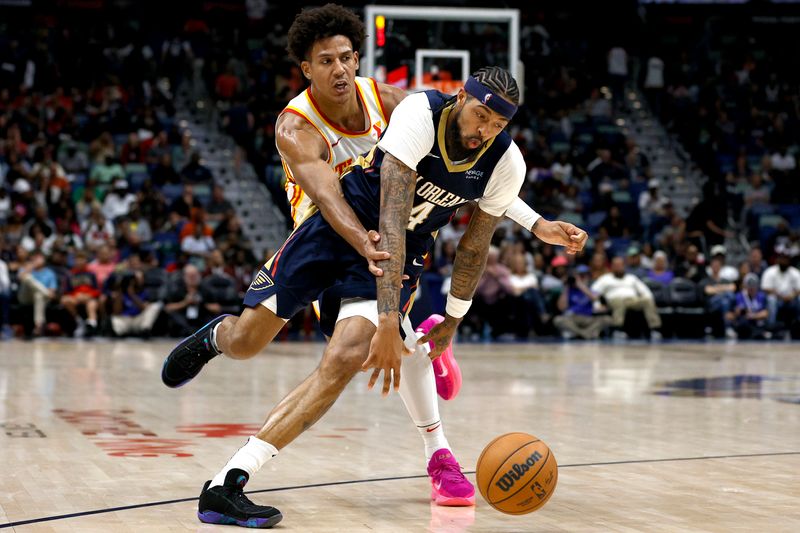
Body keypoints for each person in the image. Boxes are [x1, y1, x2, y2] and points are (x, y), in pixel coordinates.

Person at [162, 56, 586, 528]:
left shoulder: (506, 161)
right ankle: (216, 338)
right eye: (481, 116)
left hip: (394, 256)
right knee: (246, 342)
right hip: (342, 227)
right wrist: (388, 320)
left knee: (345, 358)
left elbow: (472, 249)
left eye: (499, 123)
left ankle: (228, 483)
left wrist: (453, 319)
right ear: (461, 98)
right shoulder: (419, 114)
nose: (485, 130)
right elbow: (389, 218)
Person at [591, 256, 662, 340]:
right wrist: (597, 305)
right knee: (619, 301)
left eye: (620, 265)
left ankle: (655, 329)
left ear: (624, 266)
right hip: (614, 300)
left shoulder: (631, 278)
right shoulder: (605, 278)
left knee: (647, 300)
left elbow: (646, 291)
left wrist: (650, 300)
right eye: (616, 265)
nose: (618, 267)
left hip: (632, 300)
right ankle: (617, 329)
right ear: (612, 267)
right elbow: (593, 292)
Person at [554, 264, 612, 339]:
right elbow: (561, 308)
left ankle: (576, 334)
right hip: (572, 317)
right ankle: (585, 334)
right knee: (558, 320)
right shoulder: (568, 290)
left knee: (607, 319)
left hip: (588, 318)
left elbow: (594, 299)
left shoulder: (591, 289)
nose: (582, 278)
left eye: (584, 276)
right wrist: (566, 287)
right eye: (580, 276)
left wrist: (581, 285)